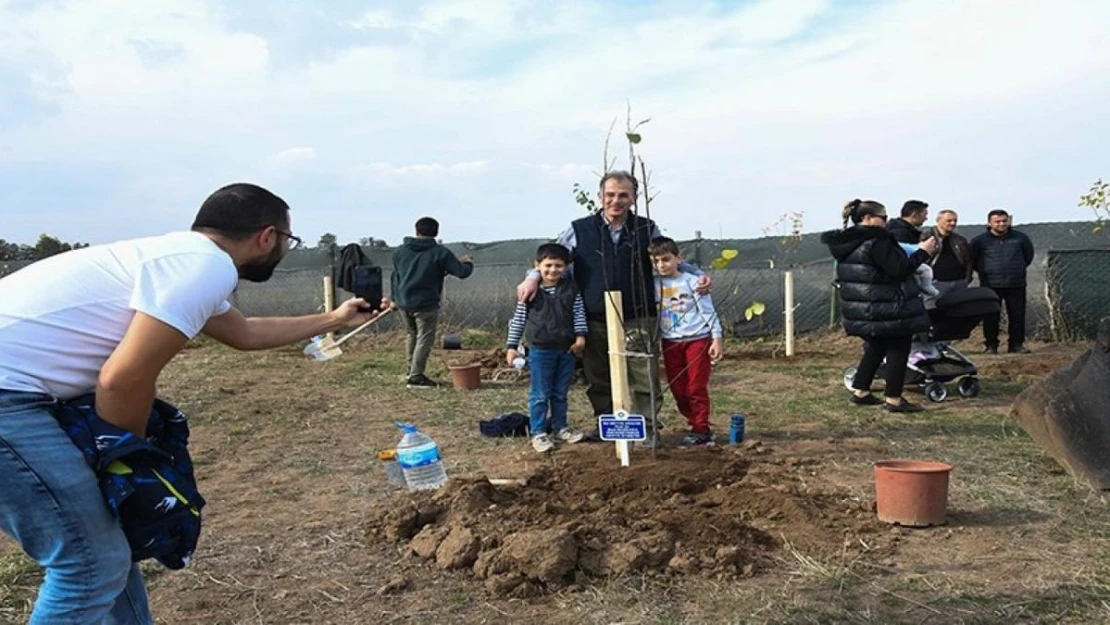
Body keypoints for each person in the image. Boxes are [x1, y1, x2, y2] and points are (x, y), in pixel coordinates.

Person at [0, 183, 383, 624]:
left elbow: (244, 333)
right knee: (90, 564)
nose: (284, 251)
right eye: (287, 241)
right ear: (267, 236)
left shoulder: (180, 259)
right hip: (10, 401)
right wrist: (124, 462)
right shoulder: (206, 267)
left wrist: (335, 318)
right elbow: (123, 379)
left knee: (111, 551)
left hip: (22, 395)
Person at [516, 171, 709, 445]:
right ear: (600, 196)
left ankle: (647, 430)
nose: (615, 201)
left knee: (643, 376)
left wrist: (698, 274)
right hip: (594, 318)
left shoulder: (646, 228)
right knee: (599, 377)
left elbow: (666, 258)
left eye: (623, 195)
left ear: (634, 198)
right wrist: (532, 277)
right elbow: (552, 259)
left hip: (638, 315)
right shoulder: (579, 229)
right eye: (610, 195)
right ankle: (609, 425)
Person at [821, 199, 938, 413]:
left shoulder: (846, 243)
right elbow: (900, 269)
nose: (887, 221)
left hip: (866, 306)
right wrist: (923, 252)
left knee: (876, 347)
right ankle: (894, 398)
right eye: (883, 217)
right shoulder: (877, 241)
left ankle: (861, 392)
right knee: (897, 348)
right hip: (888, 304)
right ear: (867, 218)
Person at [505, 243, 588, 453]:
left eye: (559, 265)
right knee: (540, 394)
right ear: (537, 265)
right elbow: (518, 319)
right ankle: (539, 432)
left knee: (560, 393)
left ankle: (561, 427)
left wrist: (580, 338)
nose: (553, 270)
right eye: (548, 265)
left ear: (566, 267)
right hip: (541, 349)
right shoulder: (530, 291)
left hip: (567, 349)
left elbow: (579, 314)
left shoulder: (571, 289)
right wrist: (511, 346)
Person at [648, 237, 724, 446]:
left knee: (695, 386)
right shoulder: (653, 285)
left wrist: (716, 338)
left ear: (678, 258)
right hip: (670, 342)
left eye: (666, 259)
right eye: (656, 261)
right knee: (678, 388)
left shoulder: (692, 282)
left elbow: (708, 311)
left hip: (696, 340)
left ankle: (701, 428)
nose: (662, 265)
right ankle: (695, 422)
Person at [391, 217, 474, 387]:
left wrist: (394, 298)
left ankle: (410, 371)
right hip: (426, 304)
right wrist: (467, 263)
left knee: (411, 335)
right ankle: (416, 376)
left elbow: (395, 277)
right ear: (436, 232)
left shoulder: (400, 252)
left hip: (404, 303)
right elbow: (461, 272)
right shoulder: (439, 252)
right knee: (424, 339)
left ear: (416, 231)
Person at [970, 209, 1035, 354]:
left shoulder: (1020, 238)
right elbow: (973, 261)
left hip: (1016, 283)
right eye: (997, 221)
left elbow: (1028, 256)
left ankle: (1016, 345)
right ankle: (991, 345)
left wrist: (1017, 269)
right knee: (991, 316)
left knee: (1017, 315)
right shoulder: (979, 241)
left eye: (1004, 221)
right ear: (989, 223)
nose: (1001, 224)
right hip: (990, 284)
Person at [921, 209, 973, 302]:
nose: (953, 223)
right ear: (938, 221)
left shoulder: (960, 240)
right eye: (949, 220)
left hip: (958, 283)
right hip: (935, 283)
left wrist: (967, 279)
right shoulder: (926, 237)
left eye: (955, 220)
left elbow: (968, 261)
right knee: (934, 311)